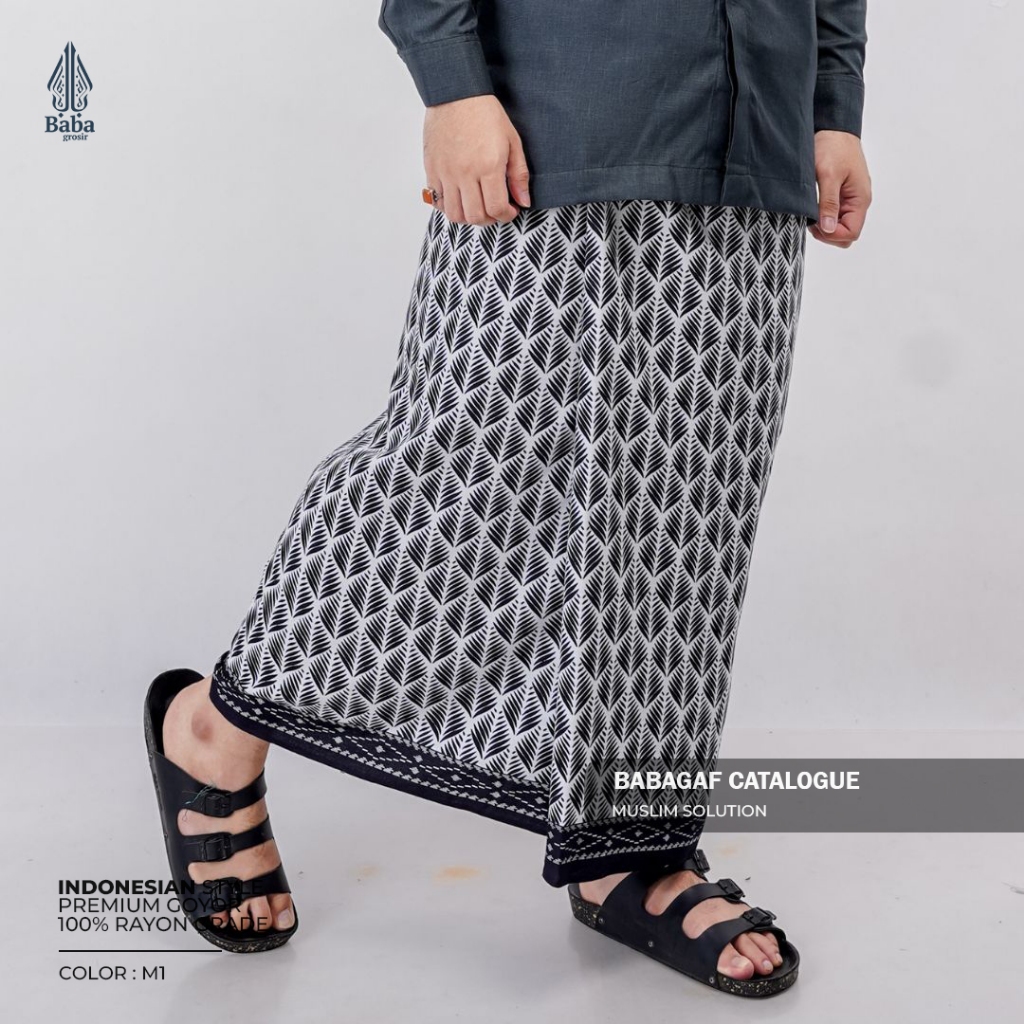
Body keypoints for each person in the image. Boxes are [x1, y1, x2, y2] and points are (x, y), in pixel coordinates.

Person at [144, 0, 871, 995]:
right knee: (463, 460)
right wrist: (452, 84)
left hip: (760, 132)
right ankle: (217, 726)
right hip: (555, 112)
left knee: (683, 509)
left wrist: (831, 103)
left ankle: (625, 847)